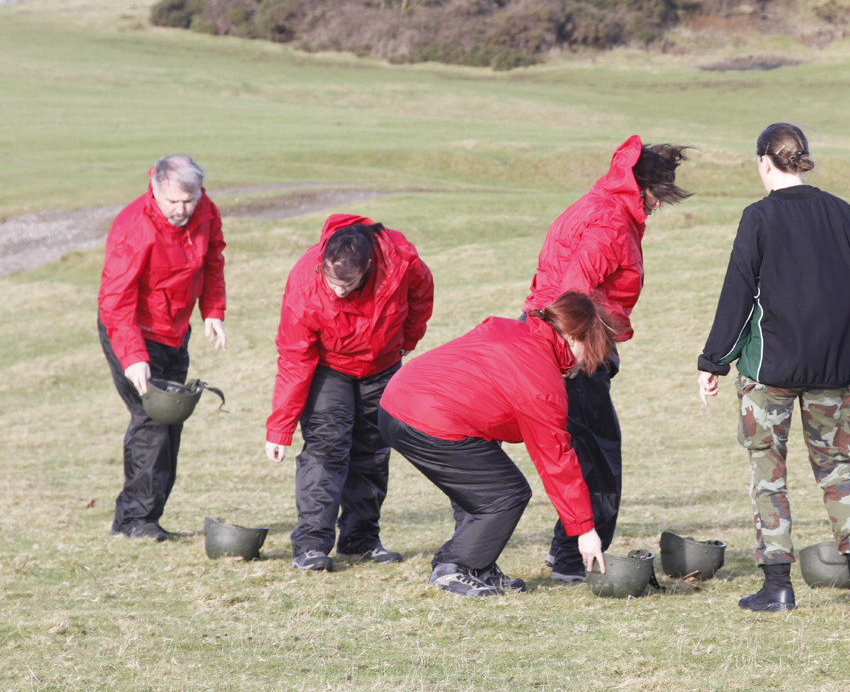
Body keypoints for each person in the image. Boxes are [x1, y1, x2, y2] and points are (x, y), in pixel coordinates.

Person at [697, 123, 850, 613]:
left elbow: (738, 296)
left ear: (765, 161)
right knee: (836, 470)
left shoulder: (757, 217)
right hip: (833, 369)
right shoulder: (845, 215)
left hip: (771, 372)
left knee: (769, 476)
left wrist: (713, 362)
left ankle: (777, 587)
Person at [523, 135, 691, 583]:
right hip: (574, 345)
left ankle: (566, 552)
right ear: (639, 186)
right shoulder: (610, 224)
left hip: (560, 337)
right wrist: (584, 354)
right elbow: (575, 293)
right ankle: (573, 561)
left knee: (586, 449)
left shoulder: (604, 206)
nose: (658, 206)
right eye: (657, 196)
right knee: (596, 456)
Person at [377, 291, 613, 597]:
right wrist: (585, 530)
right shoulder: (540, 381)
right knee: (506, 493)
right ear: (572, 337)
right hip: (425, 418)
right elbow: (556, 460)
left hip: (397, 401)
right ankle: (456, 568)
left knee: (487, 487)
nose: (589, 360)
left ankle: (478, 567)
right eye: (591, 347)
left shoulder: (511, 328)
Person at [264, 215, 434, 572]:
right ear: (322, 261)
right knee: (327, 449)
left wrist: (408, 339)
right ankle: (311, 545)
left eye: (348, 284)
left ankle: (361, 541)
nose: (338, 291)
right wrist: (280, 429)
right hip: (329, 369)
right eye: (331, 282)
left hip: (383, 365)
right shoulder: (304, 285)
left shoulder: (400, 261)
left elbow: (421, 292)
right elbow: (295, 360)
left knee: (373, 451)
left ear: (369, 266)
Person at [98, 155, 227, 541]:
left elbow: (213, 261)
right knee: (154, 419)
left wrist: (213, 312)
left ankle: (133, 518)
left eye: (189, 200)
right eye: (173, 202)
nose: (182, 210)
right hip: (132, 332)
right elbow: (115, 301)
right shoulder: (133, 228)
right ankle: (138, 521)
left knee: (170, 421)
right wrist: (134, 357)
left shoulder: (205, 212)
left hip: (175, 331)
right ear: (154, 189)